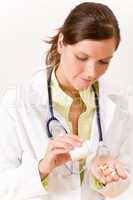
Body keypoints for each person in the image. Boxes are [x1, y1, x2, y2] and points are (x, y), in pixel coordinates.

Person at [0, 2, 132, 200]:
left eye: (104, 62)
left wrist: (106, 177)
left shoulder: (119, 102)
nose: (92, 72)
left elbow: (125, 182)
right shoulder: (17, 102)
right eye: (81, 57)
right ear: (61, 43)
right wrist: (42, 168)